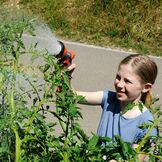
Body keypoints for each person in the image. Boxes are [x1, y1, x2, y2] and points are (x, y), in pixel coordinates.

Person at [68, 54, 158, 161]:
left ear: (146, 87)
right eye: (118, 77)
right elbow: (72, 97)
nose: (119, 84)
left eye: (127, 81)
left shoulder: (147, 124)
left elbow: (136, 159)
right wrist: (66, 75)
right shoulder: (109, 98)